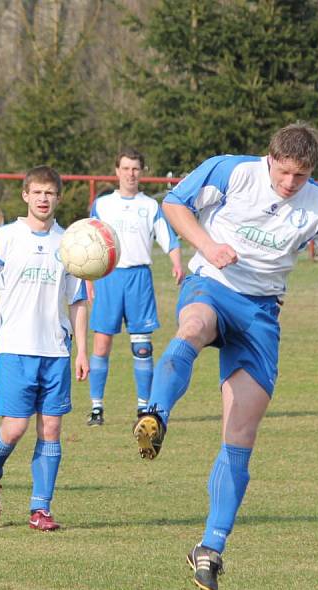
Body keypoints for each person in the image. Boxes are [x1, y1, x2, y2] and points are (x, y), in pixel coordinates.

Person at [131, 123, 318, 590]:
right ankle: (154, 415)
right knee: (193, 327)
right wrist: (208, 246)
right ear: (270, 159)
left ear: (310, 172)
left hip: (261, 314)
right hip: (212, 285)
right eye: (283, 174)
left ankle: (209, 550)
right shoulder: (231, 171)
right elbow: (174, 205)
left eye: (299, 177)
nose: (289, 185)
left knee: (240, 434)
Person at [0, 165, 89, 531]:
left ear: (58, 197)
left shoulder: (71, 243)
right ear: (25, 195)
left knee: (51, 428)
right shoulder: (5, 237)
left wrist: (82, 350)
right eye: (37, 192)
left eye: (50, 193)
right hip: (15, 348)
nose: (43, 198)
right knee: (15, 428)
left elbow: (78, 300)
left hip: (56, 349)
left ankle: (41, 509)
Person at [85, 148, 184, 426]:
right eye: (126, 168)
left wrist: (177, 263)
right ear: (117, 171)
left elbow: (169, 239)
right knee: (102, 344)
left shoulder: (151, 206)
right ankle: (96, 408)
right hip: (109, 278)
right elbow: (88, 242)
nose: (130, 173)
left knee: (142, 348)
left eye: (135, 168)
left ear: (142, 171)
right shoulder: (103, 205)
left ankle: (144, 407)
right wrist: (87, 279)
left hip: (139, 278)